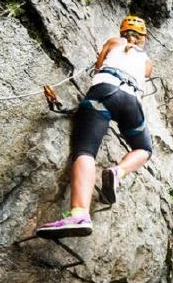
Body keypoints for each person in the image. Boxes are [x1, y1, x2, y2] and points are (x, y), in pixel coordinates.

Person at [36, 16, 153, 238]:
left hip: (104, 93)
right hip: (131, 101)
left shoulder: (113, 42)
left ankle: (79, 214)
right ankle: (118, 171)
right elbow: (146, 74)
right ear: (143, 38)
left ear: (122, 32)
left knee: (86, 151)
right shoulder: (146, 60)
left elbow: (99, 65)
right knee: (144, 149)